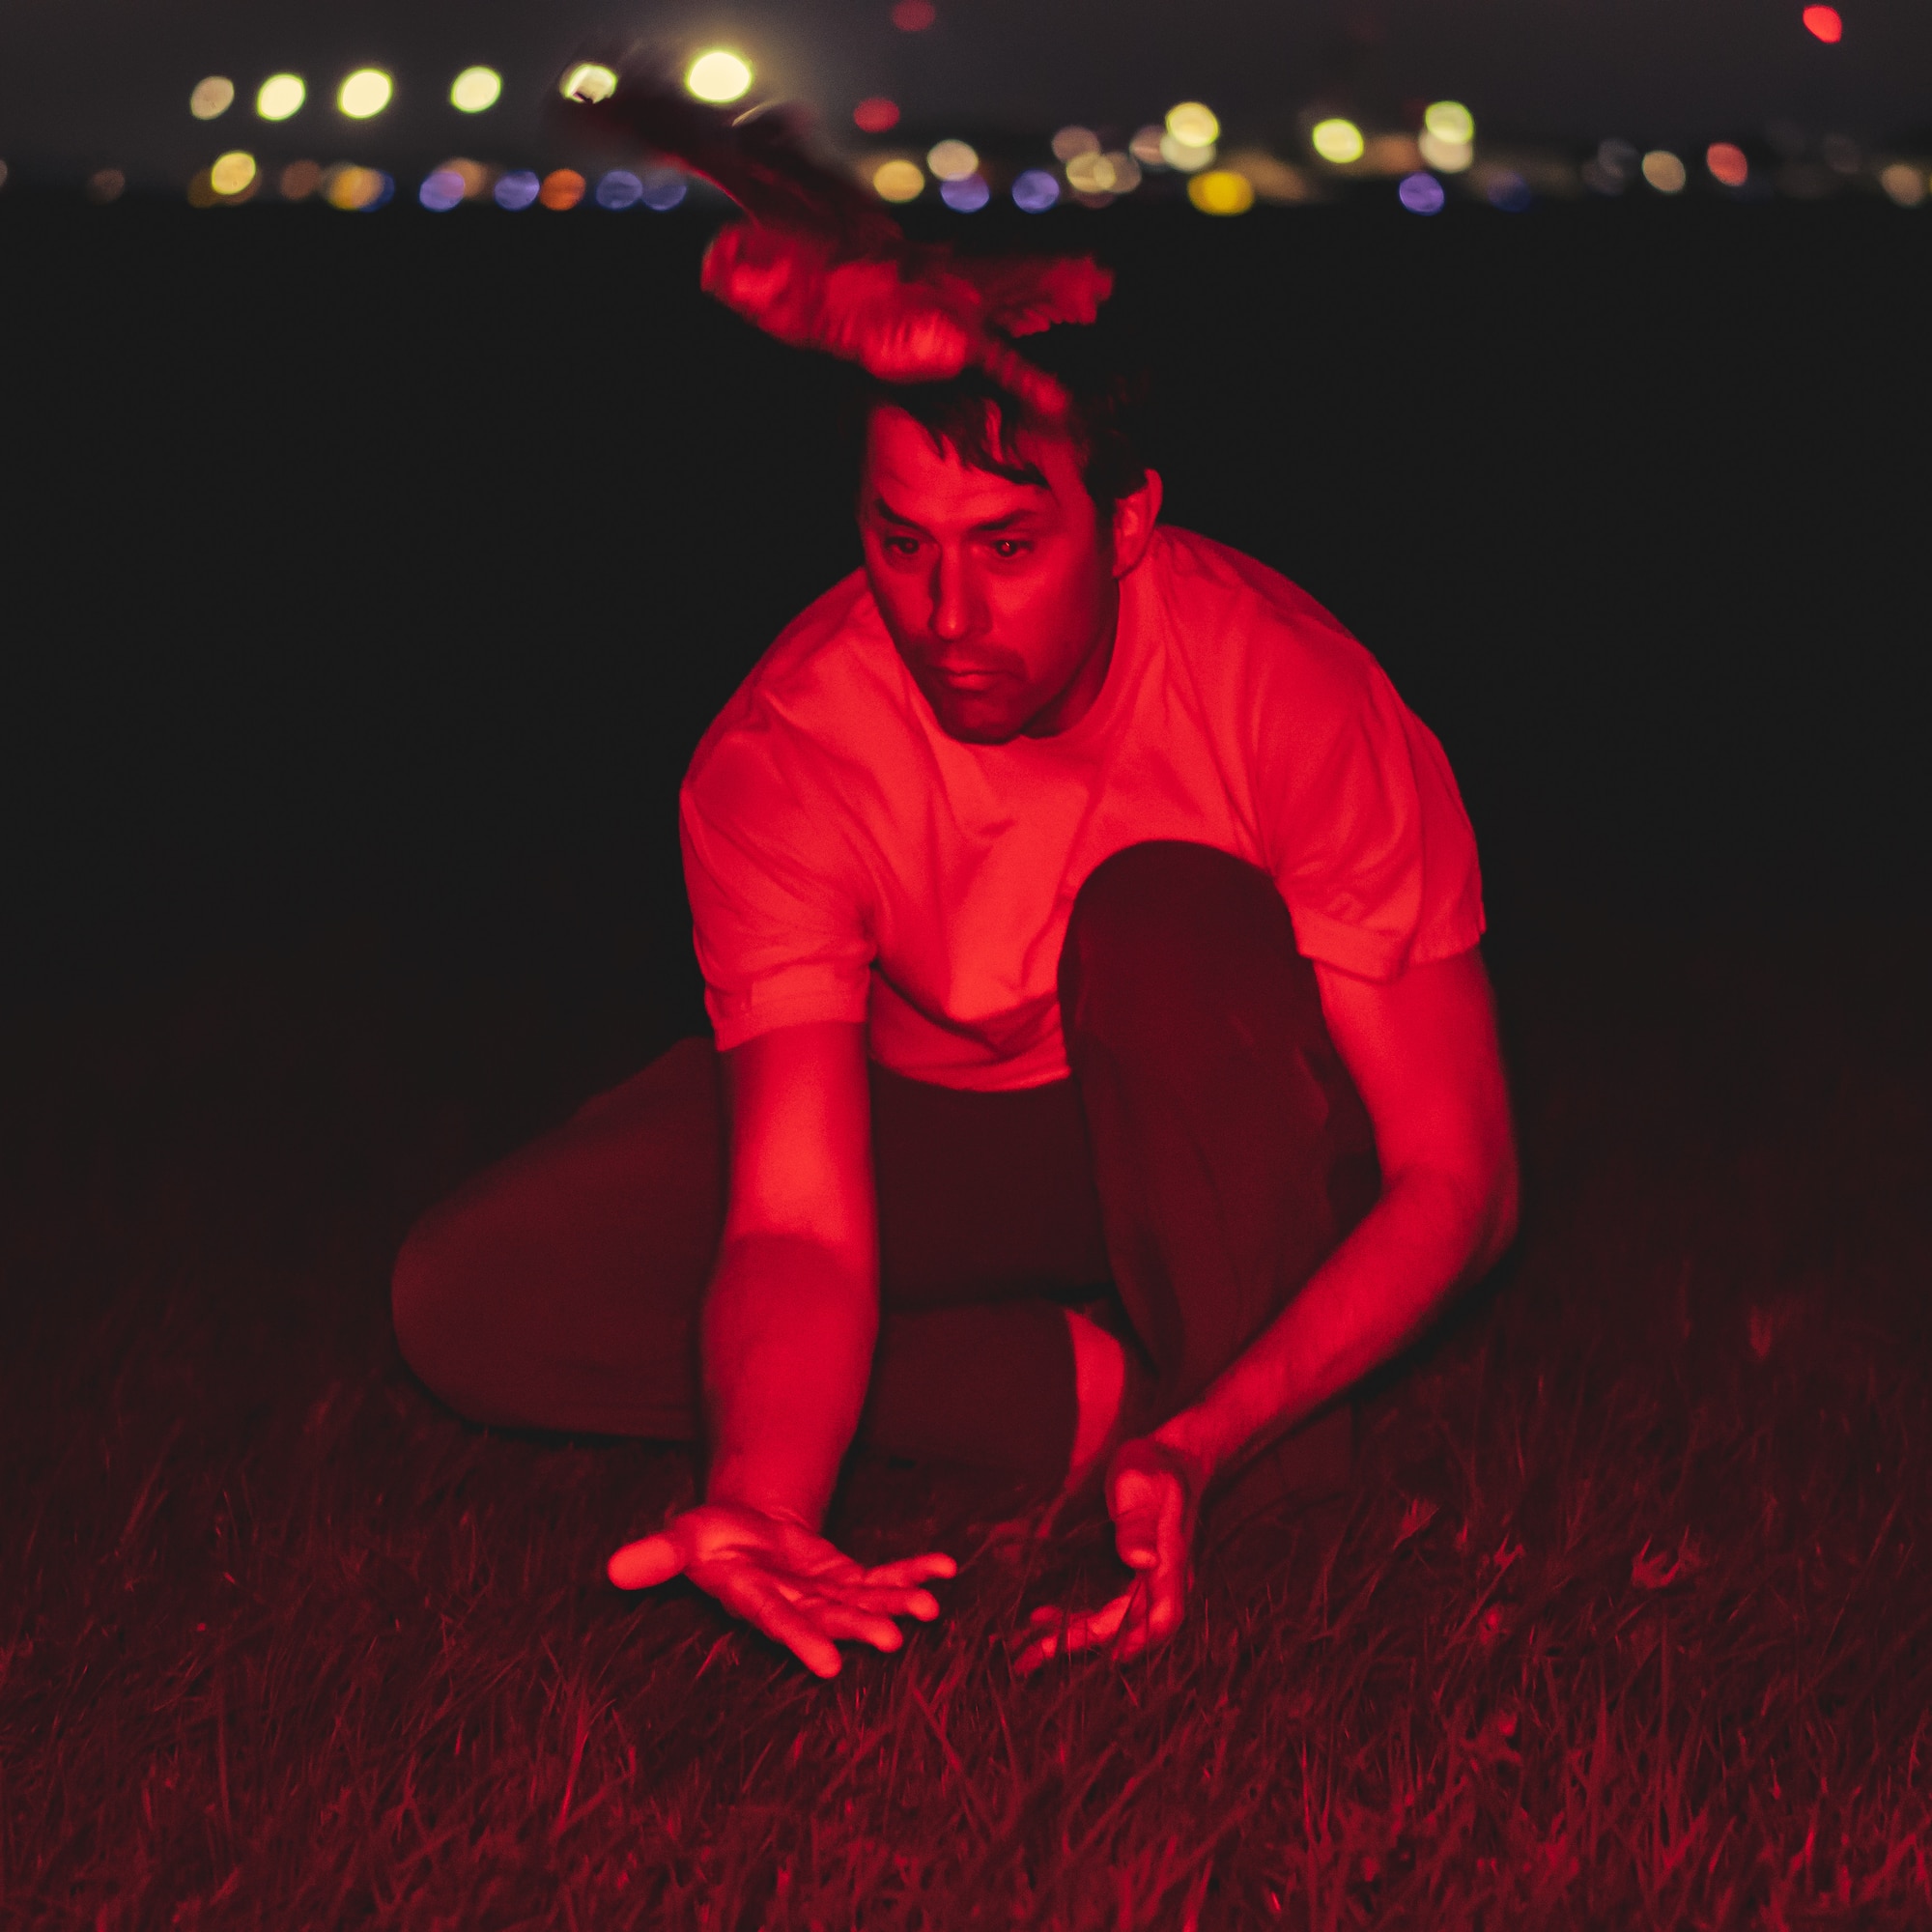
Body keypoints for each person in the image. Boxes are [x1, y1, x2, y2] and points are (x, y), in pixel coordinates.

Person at [390, 220, 1518, 1682]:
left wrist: (1214, 1439)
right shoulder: (785, 751)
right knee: (471, 1296)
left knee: (1164, 912)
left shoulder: (1289, 692)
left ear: (1125, 526)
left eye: (1007, 547)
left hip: (1200, 1102)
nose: (945, 616)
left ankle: (1237, 1481)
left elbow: (1459, 1178)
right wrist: (763, 1498)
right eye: (899, 543)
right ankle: (1071, 1398)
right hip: (937, 1130)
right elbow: (798, 1222)